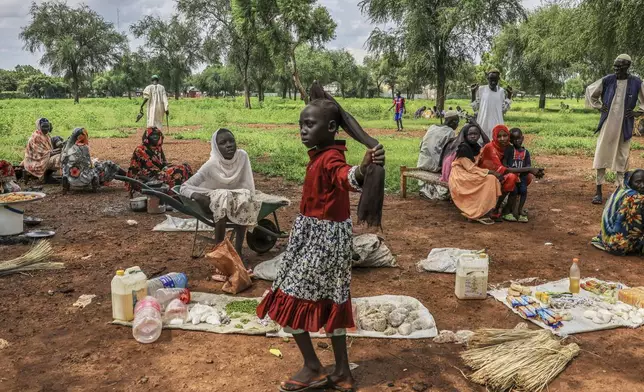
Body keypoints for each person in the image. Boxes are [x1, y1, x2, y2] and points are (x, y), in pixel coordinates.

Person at [256, 94, 385, 392]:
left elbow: (345, 177)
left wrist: (362, 170)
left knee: (289, 296)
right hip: (317, 239)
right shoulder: (320, 154)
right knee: (330, 300)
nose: (303, 130)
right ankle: (341, 371)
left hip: (322, 243)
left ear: (330, 127)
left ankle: (314, 367)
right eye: (301, 124)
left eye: (309, 124)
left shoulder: (330, 158)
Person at [180, 128, 260, 260]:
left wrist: (249, 197)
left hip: (240, 201)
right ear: (216, 147)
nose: (229, 145)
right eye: (223, 143)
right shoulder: (211, 165)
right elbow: (184, 187)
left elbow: (248, 183)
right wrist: (197, 196)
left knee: (244, 197)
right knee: (223, 196)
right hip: (219, 204)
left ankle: (238, 251)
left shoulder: (242, 156)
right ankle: (220, 250)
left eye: (231, 141)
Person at [586, 54, 644, 205]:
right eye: (615, 66)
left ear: (628, 66)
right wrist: (599, 106)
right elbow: (590, 91)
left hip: (625, 126)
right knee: (601, 155)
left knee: (622, 157)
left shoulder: (636, 82)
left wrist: (638, 111)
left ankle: (619, 192)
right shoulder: (608, 79)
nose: (616, 69)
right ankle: (598, 192)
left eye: (620, 66)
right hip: (607, 124)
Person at [479, 125, 543, 221]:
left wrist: (530, 171)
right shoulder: (490, 148)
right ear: (494, 137)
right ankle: (495, 209)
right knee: (512, 177)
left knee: (526, 177)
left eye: (505, 136)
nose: (502, 139)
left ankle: (511, 207)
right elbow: (504, 169)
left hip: (501, 175)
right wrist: (530, 169)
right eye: (499, 136)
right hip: (487, 176)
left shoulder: (508, 147)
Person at [448, 140, 502, 225]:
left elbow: (487, 142)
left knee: (491, 179)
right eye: (470, 134)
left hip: (468, 174)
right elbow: (472, 168)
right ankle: (478, 211)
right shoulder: (464, 149)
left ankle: (484, 209)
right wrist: (492, 172)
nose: (473, 136)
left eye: (476, 133)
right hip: (460, 177)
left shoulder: (476, 147)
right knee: (490, 179)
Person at [126, 127, 193, 196]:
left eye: (157, 135)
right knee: (179, 170)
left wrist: (169, 168)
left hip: (157, 173)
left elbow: (163, 164)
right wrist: (170, 170)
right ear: (147, 137)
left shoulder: (158, 148)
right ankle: (174, 194)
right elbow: (151, 170)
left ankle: (188, 190)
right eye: (152, 135)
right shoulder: (140, 150)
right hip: (144, 179)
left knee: (186, 166)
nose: (155, 137)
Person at [591, 170, 644, 255]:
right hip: (619, 244)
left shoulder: (620, 191)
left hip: (606, 237)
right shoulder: (635, 198)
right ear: (630, 182)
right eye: (638, 182)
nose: (642, 185)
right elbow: (636, 225)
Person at [61, 128, 126, 191]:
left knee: (97, 164)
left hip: (71, 177)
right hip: (84, 178)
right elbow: (89, 165)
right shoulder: (83, 147)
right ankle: (127, 175)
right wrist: (94, 162)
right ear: (81, 136)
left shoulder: (66, 149)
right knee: (108, 164)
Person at [416, 110, 460, 200]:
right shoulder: (450, 132)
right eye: (457, 122)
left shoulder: (432, 127)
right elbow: (447, 153)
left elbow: (421, 145)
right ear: (453, 122)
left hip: (422, 162)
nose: (457, 125)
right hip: (434, 166)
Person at [502, 128, 542, 222]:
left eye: (518, 138)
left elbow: (528, 166)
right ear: (510, 140)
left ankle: (520, 211)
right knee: (514, 192)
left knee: (523, 191)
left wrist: (534, 171)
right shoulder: (509, 150)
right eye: (513, 139)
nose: (516, 141)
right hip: (513, 178)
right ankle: (508, 211)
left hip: (522, 177)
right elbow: (505, 166)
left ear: (522, 138)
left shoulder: (525, 152)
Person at [471, 69, 512, 140]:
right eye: (491, 79)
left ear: (498, 79)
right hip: (483, 125)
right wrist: (473, 93)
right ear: (487, 78)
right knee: (483, 145)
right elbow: (475, 108)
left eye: (495, 79)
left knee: (496, 145)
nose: (493, 82)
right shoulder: (481, 89)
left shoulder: (501, 91)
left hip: (497, 125)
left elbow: (503, 110)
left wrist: (509, 95)